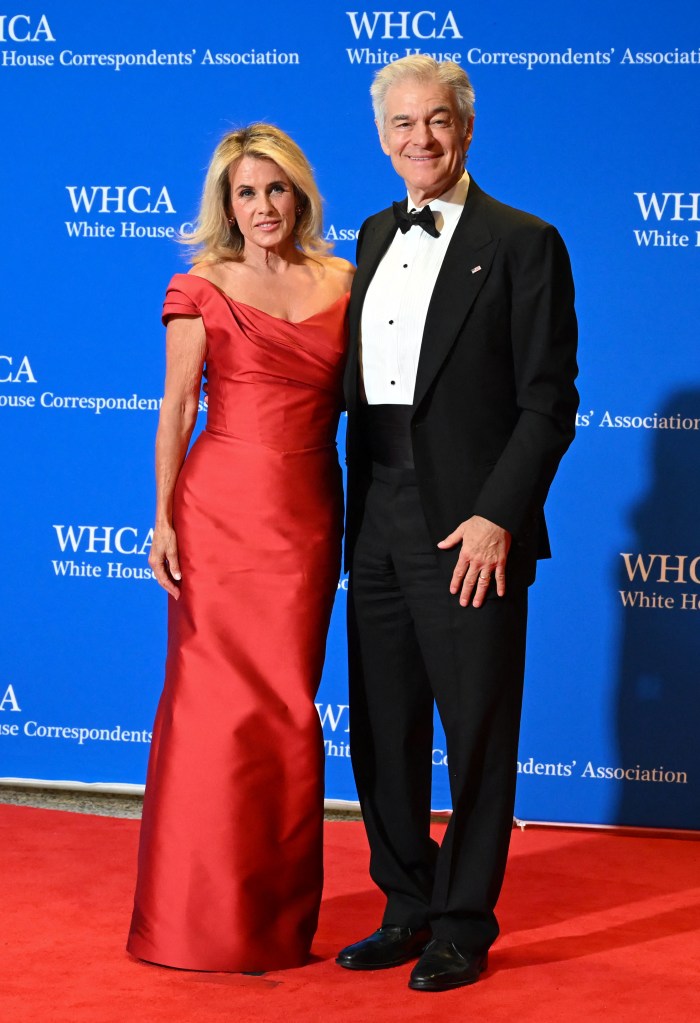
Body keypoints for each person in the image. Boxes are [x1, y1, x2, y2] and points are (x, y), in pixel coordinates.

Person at [336, 56, 579, 991]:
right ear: (382, 135)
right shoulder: (366, 234)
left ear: (466, 128)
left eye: (436, 121)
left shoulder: (525, 241)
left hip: (471, 524)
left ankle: (463, 923)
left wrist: (496, 516)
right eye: (402, 124)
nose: (420, 141)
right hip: (376, 511)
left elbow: (549, 400)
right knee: (382, 724)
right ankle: (405, 901)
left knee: (476, 728)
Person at [127, 124, 353, 973]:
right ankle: (194, 916)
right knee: (212, 705)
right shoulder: (201, 285)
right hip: (220, 508)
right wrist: (162, 518)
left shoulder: (347, 282)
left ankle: (274, 917)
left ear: (300, 195)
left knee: (289, 704)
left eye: (277, 190)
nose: (263, 207)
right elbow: (177, 407)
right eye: (246, 192)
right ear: (227, 203)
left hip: (305, 511)